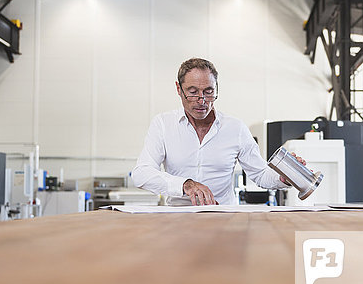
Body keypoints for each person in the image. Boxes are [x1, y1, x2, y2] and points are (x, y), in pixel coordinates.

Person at [131, 57, 306, 206]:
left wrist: (282, 178)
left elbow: (260, 174)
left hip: (224, 218)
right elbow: (141, 173)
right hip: (178, 218)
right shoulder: (163, 124)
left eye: (209, 92)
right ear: (179, 89)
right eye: (193, 92)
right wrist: (186, 184)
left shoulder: (235, 128)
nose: (202, 101)